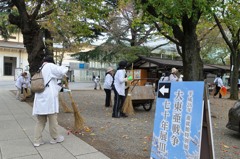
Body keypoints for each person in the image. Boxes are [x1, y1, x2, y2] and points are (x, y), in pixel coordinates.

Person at [32, 56, 68, 147]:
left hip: (40, 98)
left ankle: (37, 140)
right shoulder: (49, 66)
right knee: (53, 119)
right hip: (48, 99)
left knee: (40, 121)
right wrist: (66, 67)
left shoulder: (40, 69)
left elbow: (54, 80)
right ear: (51, 62)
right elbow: (61, 71)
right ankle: (55, 138)